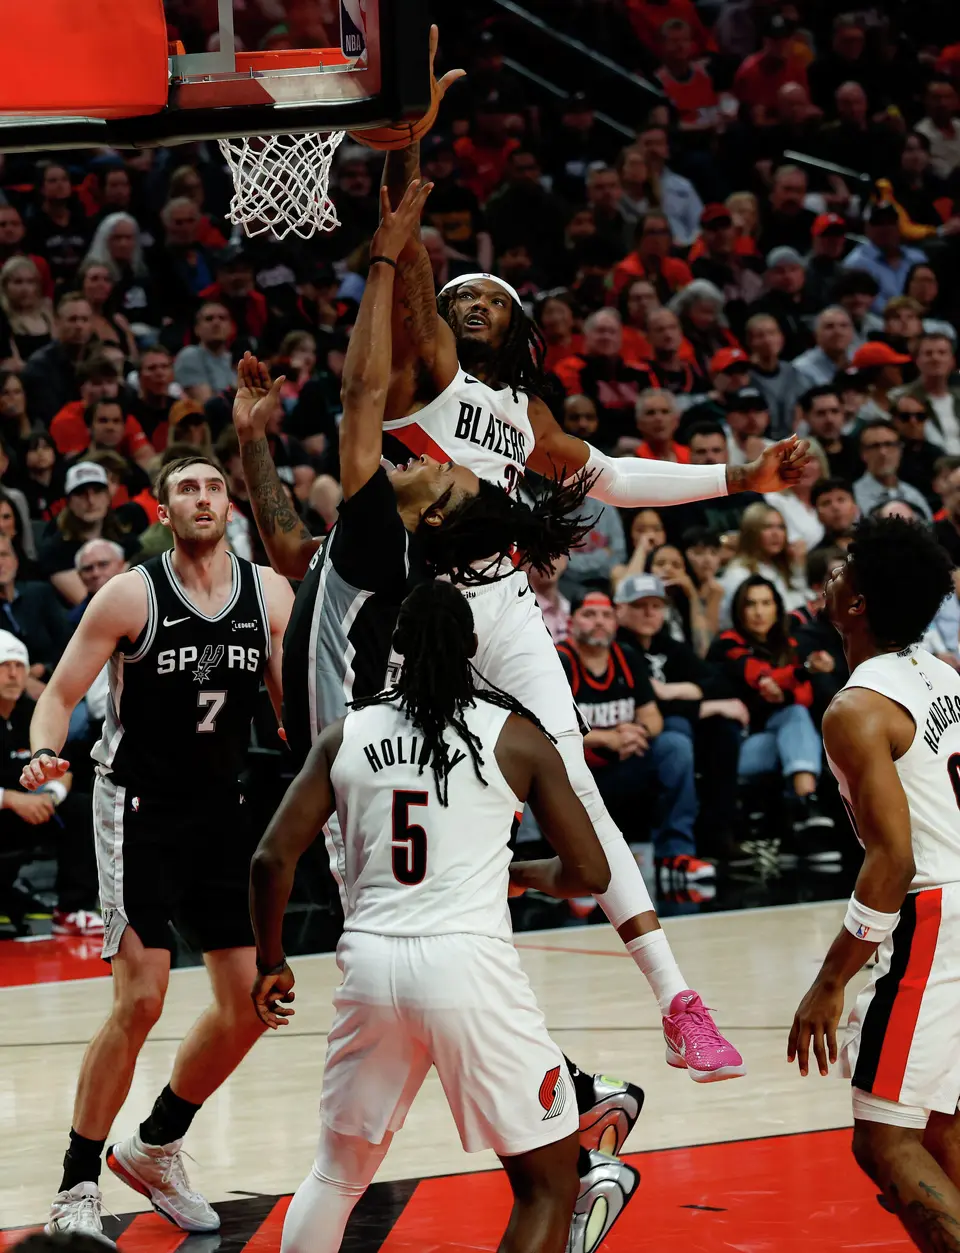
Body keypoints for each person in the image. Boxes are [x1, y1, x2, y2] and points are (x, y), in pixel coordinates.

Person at [234, 182, 647, 1244]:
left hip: (349, 779)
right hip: (398, 819)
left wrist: (386, 260)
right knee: (526, 1160)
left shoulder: (384, 533)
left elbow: (365, 383)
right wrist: (254, 446)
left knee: (338, 1161)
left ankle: (568, 1085)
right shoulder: (395, 551)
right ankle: (566, 1094)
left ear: (448, 532)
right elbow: (288, 546)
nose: (443, 472)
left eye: (457, 484)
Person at [250, 580, 634, 1253]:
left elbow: (270, 859)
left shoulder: (348, 732)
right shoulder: (514, 736)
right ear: (473, 651)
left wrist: (271, 959)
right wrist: (519, 875)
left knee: (335, 1174)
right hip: (467, 967)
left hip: (369, 966)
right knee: (548, 1184)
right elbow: (590, 873)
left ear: (396, 646)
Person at [22, 452, 294, 1240]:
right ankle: (77, 1182)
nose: (203, 497)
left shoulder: (265, 594)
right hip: (135, 808)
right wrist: (45, 752)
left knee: (250, 1005)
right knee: (141, 998)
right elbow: (60, 695)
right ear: (165, 513)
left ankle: (157, 1144)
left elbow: (294, 715)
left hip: (221, 811)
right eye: (187, 489)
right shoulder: (131, 592)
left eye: (214, 485)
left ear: (229, 505)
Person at [786, 517, 960, 1253]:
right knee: (940, 1121)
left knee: (884, 1139)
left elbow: (892, 859)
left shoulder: (856, 709)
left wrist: (830, 982)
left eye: (843, 567)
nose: (831, 572)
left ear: (857, 603)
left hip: (937, 914)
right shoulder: (944, 672)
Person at [557, 590, 718, 892]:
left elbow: (653, 717)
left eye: (605, 615)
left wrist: (635, 732)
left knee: (675, 745)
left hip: (624, 762)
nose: (599, 622)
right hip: (577, 774)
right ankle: (571, 861)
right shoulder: (560, 661)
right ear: (571, 621)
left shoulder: (627, 657)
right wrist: (608, 737)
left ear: (615, 620)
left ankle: (675, 853)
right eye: (589, 615)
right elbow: (549, 731)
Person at [709, 575, 837, 848]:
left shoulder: (787, 646)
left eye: (766, 603)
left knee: (797, 718)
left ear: (776, 608)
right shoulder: (726, 644)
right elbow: (759, 676)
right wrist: (803, 671)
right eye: (751, 604)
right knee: (797, 724)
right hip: (736, 751)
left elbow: (803, 696)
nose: (758, 612)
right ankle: (807, 805)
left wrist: (787, 685)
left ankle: (803, 802)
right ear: (739, 610)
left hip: (781, 743)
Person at [0, 629, 99, 937]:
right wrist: (13, 800)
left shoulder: (34, 712)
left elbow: (64, 768)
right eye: (5, 666)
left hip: (35, 810)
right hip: (6, 808)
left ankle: (72, 909)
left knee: (80, 807)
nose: (14, 675)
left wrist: (50, 798)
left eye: (20, 666)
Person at [854, 420, 933, 522]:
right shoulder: (854, 497)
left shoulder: (914, 495)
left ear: (900, 449)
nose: (883, 452)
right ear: (863, 454)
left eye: (889, 444)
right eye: (875, 446)